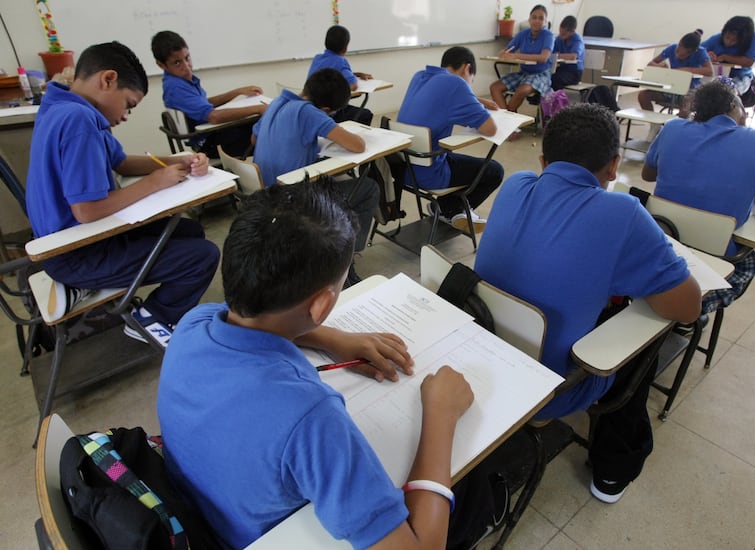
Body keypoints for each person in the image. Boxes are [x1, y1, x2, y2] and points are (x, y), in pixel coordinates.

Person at [157, 180, 474, 549]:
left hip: (203, 512)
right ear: (322, 304)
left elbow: (252, 319)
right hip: (263, 539)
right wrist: (440, 414)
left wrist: (332, 338)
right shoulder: (310, 418)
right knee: (468, 487)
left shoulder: (193, 325)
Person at [475, 103, 701, 503]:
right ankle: (614, 470)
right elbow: (688, 308)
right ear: (614, 167)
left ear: (543, 161)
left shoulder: (515, 183)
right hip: (550, 389)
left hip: (483, 354)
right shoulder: (623, 212)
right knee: (644, 337)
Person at [25, 42, 219, 347]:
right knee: (203, 257)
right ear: (108, 79)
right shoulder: (79, 120)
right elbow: (86, 210)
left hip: (76, 242)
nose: (127, 115)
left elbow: (121, 162)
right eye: (129, 104)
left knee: (189, 231)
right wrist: (155, 182)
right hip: (77, 251)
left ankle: (89, 288)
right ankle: (152, 318)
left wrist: (178, 160)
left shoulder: (63, 104)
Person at [643, 79, 755, 315]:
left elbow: (648, 174)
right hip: (718, 260)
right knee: (751, 257)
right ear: (736, 106)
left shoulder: (672, 128)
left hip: (662, 244)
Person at [252, 68, 378, 285]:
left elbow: (254, 140)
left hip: (265, 193)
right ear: (326, 109)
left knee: (334, 179)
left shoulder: (276, 102)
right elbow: (357, 145)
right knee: (368, 188)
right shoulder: (308, 112)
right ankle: (345, 261)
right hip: (293, 198)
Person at [397, 46, 503, 234]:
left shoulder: (420, 76)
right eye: (471, 81)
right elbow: (490, 128)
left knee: (454, 157)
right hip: (429, 173)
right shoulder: (456, 84)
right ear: (467, 68)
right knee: (494, 171)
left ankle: (445, 207)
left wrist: (475, 100)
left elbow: (445, 98)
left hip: (403, 167)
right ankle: (452, 209)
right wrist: (473, 100)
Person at [151, 30, 267, 158]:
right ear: (161, 65)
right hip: (210, 143)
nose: (187, 66)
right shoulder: (176, 87)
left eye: (187, 58)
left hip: (211, 135)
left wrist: (237, 92)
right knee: (269, 129)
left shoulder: (179, 80)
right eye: (177, 63)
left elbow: (204, 103)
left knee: (261, 125)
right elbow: (214, 117)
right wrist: (259, 109)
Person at [489, 4, 554, 112]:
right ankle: (508, 117)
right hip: (523, 73)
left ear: (546, 21)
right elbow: (509, 50)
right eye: (534, 17)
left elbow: (543, 58)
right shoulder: (523, 34)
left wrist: (516, 55)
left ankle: (509, 116)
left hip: (540, 75)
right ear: (529, 19)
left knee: (522, 90)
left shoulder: (548, 35)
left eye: (541, 18)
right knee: (495, 88)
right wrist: (503, 53)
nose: (537, 21)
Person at [308, 25, 373, 125]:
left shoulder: (317, 58)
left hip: (311, 109)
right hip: (328, 113)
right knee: (366, 114)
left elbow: (329, 75)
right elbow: (354, 86)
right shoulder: (340, 61)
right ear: (345, 48)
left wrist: (356, 74)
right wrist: (353, 78)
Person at [638, 29, 713, 114]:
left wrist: (686, 70)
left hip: (690, 89)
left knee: (686, 107)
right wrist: (660, 66)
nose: (678, 54)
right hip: (671, 86)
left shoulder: (700, 52)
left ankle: (680, 121)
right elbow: (650, 64)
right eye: (678, 50)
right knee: (643, 95)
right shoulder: (672, 48)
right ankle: (652, 121)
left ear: (692, 52)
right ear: (679, 43)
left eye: (683, 55)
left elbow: (710, 71)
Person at [702, 16, 755, 100]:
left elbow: (749, 62)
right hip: (716, 75)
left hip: (740, 76)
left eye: (734, 40)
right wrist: (707, 55)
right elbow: (697, 51)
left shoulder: (754, 38)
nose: (728, 42)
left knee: (727, 93)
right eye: (727, 37)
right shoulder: (717, 38)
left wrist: (725, 57)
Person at [551, 15, 585, 90]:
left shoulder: (577, 40)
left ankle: (559, 96)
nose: (561, 35)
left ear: (572, 31)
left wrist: (557, 56)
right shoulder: (559, 39)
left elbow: (573, 56)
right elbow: (551, 52)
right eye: (560, 32)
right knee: (546, 76)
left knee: (555, 79)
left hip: (574, 72)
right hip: (562, 69)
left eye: (564, 34)